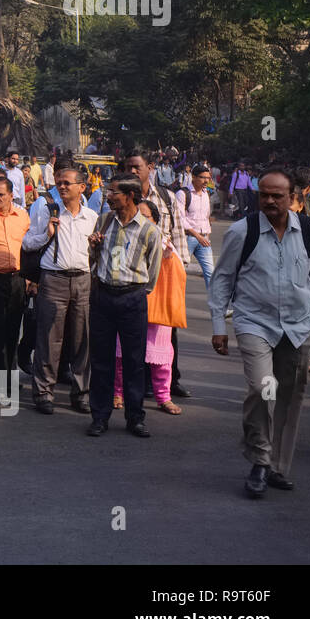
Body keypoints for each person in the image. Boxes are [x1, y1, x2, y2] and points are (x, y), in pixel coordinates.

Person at [209, 168, 310, 497]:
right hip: (254, 322)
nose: (269, 201)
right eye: (264, 195)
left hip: (299, 326)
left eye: (277, 196)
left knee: (289, 396)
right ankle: (259, 459)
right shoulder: (244, 231)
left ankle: (276, 467)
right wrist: (218, 326)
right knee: (262, 388)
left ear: (294, 199)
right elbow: (223, 279)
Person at [85, 174, 164, 438]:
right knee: (101, 359)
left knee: (134, 361)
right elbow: (93, 261)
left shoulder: (149, 231)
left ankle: (135, 417)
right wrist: (93, 248)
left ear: (129, 196)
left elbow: (152, 272)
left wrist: (136, 293)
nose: (108, 196)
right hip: (103, 297)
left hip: (133, 299)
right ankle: (99, 416)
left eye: (113, 192)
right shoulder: (103, 221)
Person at [23, 165, 99, 414]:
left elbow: (96, 254)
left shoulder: (91, 217)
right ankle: (44, 392)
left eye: (67, 183)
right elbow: (27, 242)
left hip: (83, 280)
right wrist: (47, 234)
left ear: (82, 187)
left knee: (82, 339)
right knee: (49, 339)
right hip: (53, 280)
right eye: (59, 183)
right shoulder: (47, 211)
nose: (62, 187)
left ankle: (81, 393)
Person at [121, 151, 192, 398]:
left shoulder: (166, 197)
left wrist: (180, 268)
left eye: (136, 167)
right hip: (132, 274)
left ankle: (170, 381)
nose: (132, 171)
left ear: (149, 167)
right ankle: (137, 382)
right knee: (135, 329)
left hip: (163, 271)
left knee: (166, 329)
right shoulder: (120, 196)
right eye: (128, 167)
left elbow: (178, 231)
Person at [111, 199, 185, 417]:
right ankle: (118, 393)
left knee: (161, 358)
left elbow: (177, 273)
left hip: (157, 308)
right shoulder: (121, 238)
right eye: (138, 216)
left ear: (156, 220)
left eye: (147, 216)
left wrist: (168, 255)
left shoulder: (165, 244)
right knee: (121, 355)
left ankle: (164, 397)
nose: (141, 220)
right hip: (128, 304)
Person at [0, 175, 30, 381]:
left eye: (1, 194)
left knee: (13, 328)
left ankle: (10, 372)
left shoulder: (22, 217)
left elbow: (30, 248)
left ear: (11, 195)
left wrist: (32, 279)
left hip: (17, 280)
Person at [181, 164, 215, 291]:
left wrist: (207, 235)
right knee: (179, 273)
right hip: (187, 239)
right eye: (202, 177)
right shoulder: (183, 193)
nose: (206, 181)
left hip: (204, 240)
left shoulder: (206, 194)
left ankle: (217, 308)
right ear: (193, 177)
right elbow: (180, 219)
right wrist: (197, 235)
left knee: (211, 274)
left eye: (208, 178)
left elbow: (206, 217)